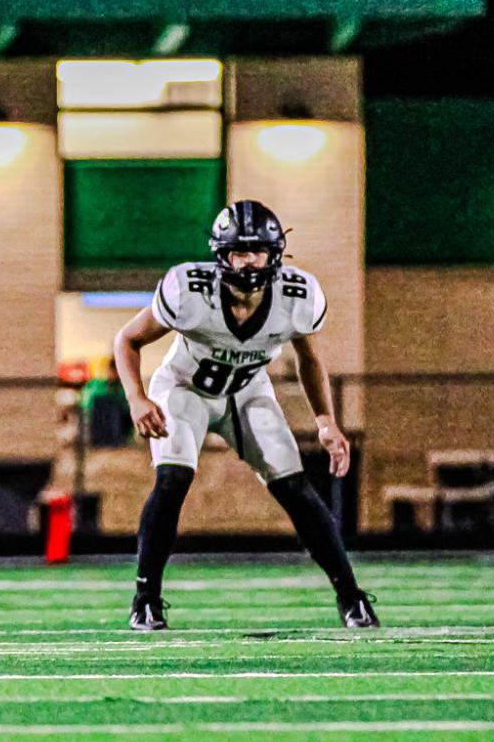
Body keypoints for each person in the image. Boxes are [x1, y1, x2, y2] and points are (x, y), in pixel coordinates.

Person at [111, 200, 379, 631]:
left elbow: (309, 359)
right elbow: (127, 339)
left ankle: (352, 598)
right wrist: (137, 398)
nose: (247, 261)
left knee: (295, 486)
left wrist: (326, 421)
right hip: (185, 388)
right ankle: (146, 600)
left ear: (275, 255)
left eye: (256, 251)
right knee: (173, 477)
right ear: (220, 255)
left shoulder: (298, 296)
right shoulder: (189, 289)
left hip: (248, 392)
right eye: (237, 251)